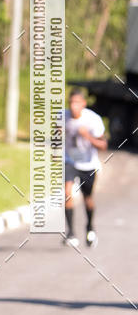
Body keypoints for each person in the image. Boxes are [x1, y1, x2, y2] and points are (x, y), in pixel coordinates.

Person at [64, 87, 107, 248]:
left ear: (83, 104)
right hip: (70, 161)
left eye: (77, 103)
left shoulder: (93, 119)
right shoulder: (63, 117)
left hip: (88, 164)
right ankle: (70, 233)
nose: (73, 106)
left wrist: (87, 136)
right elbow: (55, 136)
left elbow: (103, 145)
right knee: (67, 192)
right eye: (71, 103)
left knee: (87, 198)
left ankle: (90, 227)